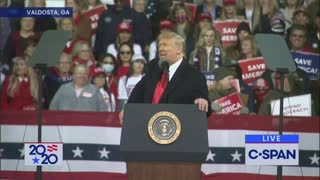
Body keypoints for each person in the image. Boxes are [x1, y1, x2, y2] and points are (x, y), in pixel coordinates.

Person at [119, 32, 210, 123]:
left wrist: (202, 100)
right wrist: (128, 109)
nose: (160, 48)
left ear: (178, 49)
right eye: (159, 45)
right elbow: (137, 93)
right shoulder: (153, 69)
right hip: (148, 127)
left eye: (165, 45)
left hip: (179, 129)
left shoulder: (194, 75)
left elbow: (205, 104)